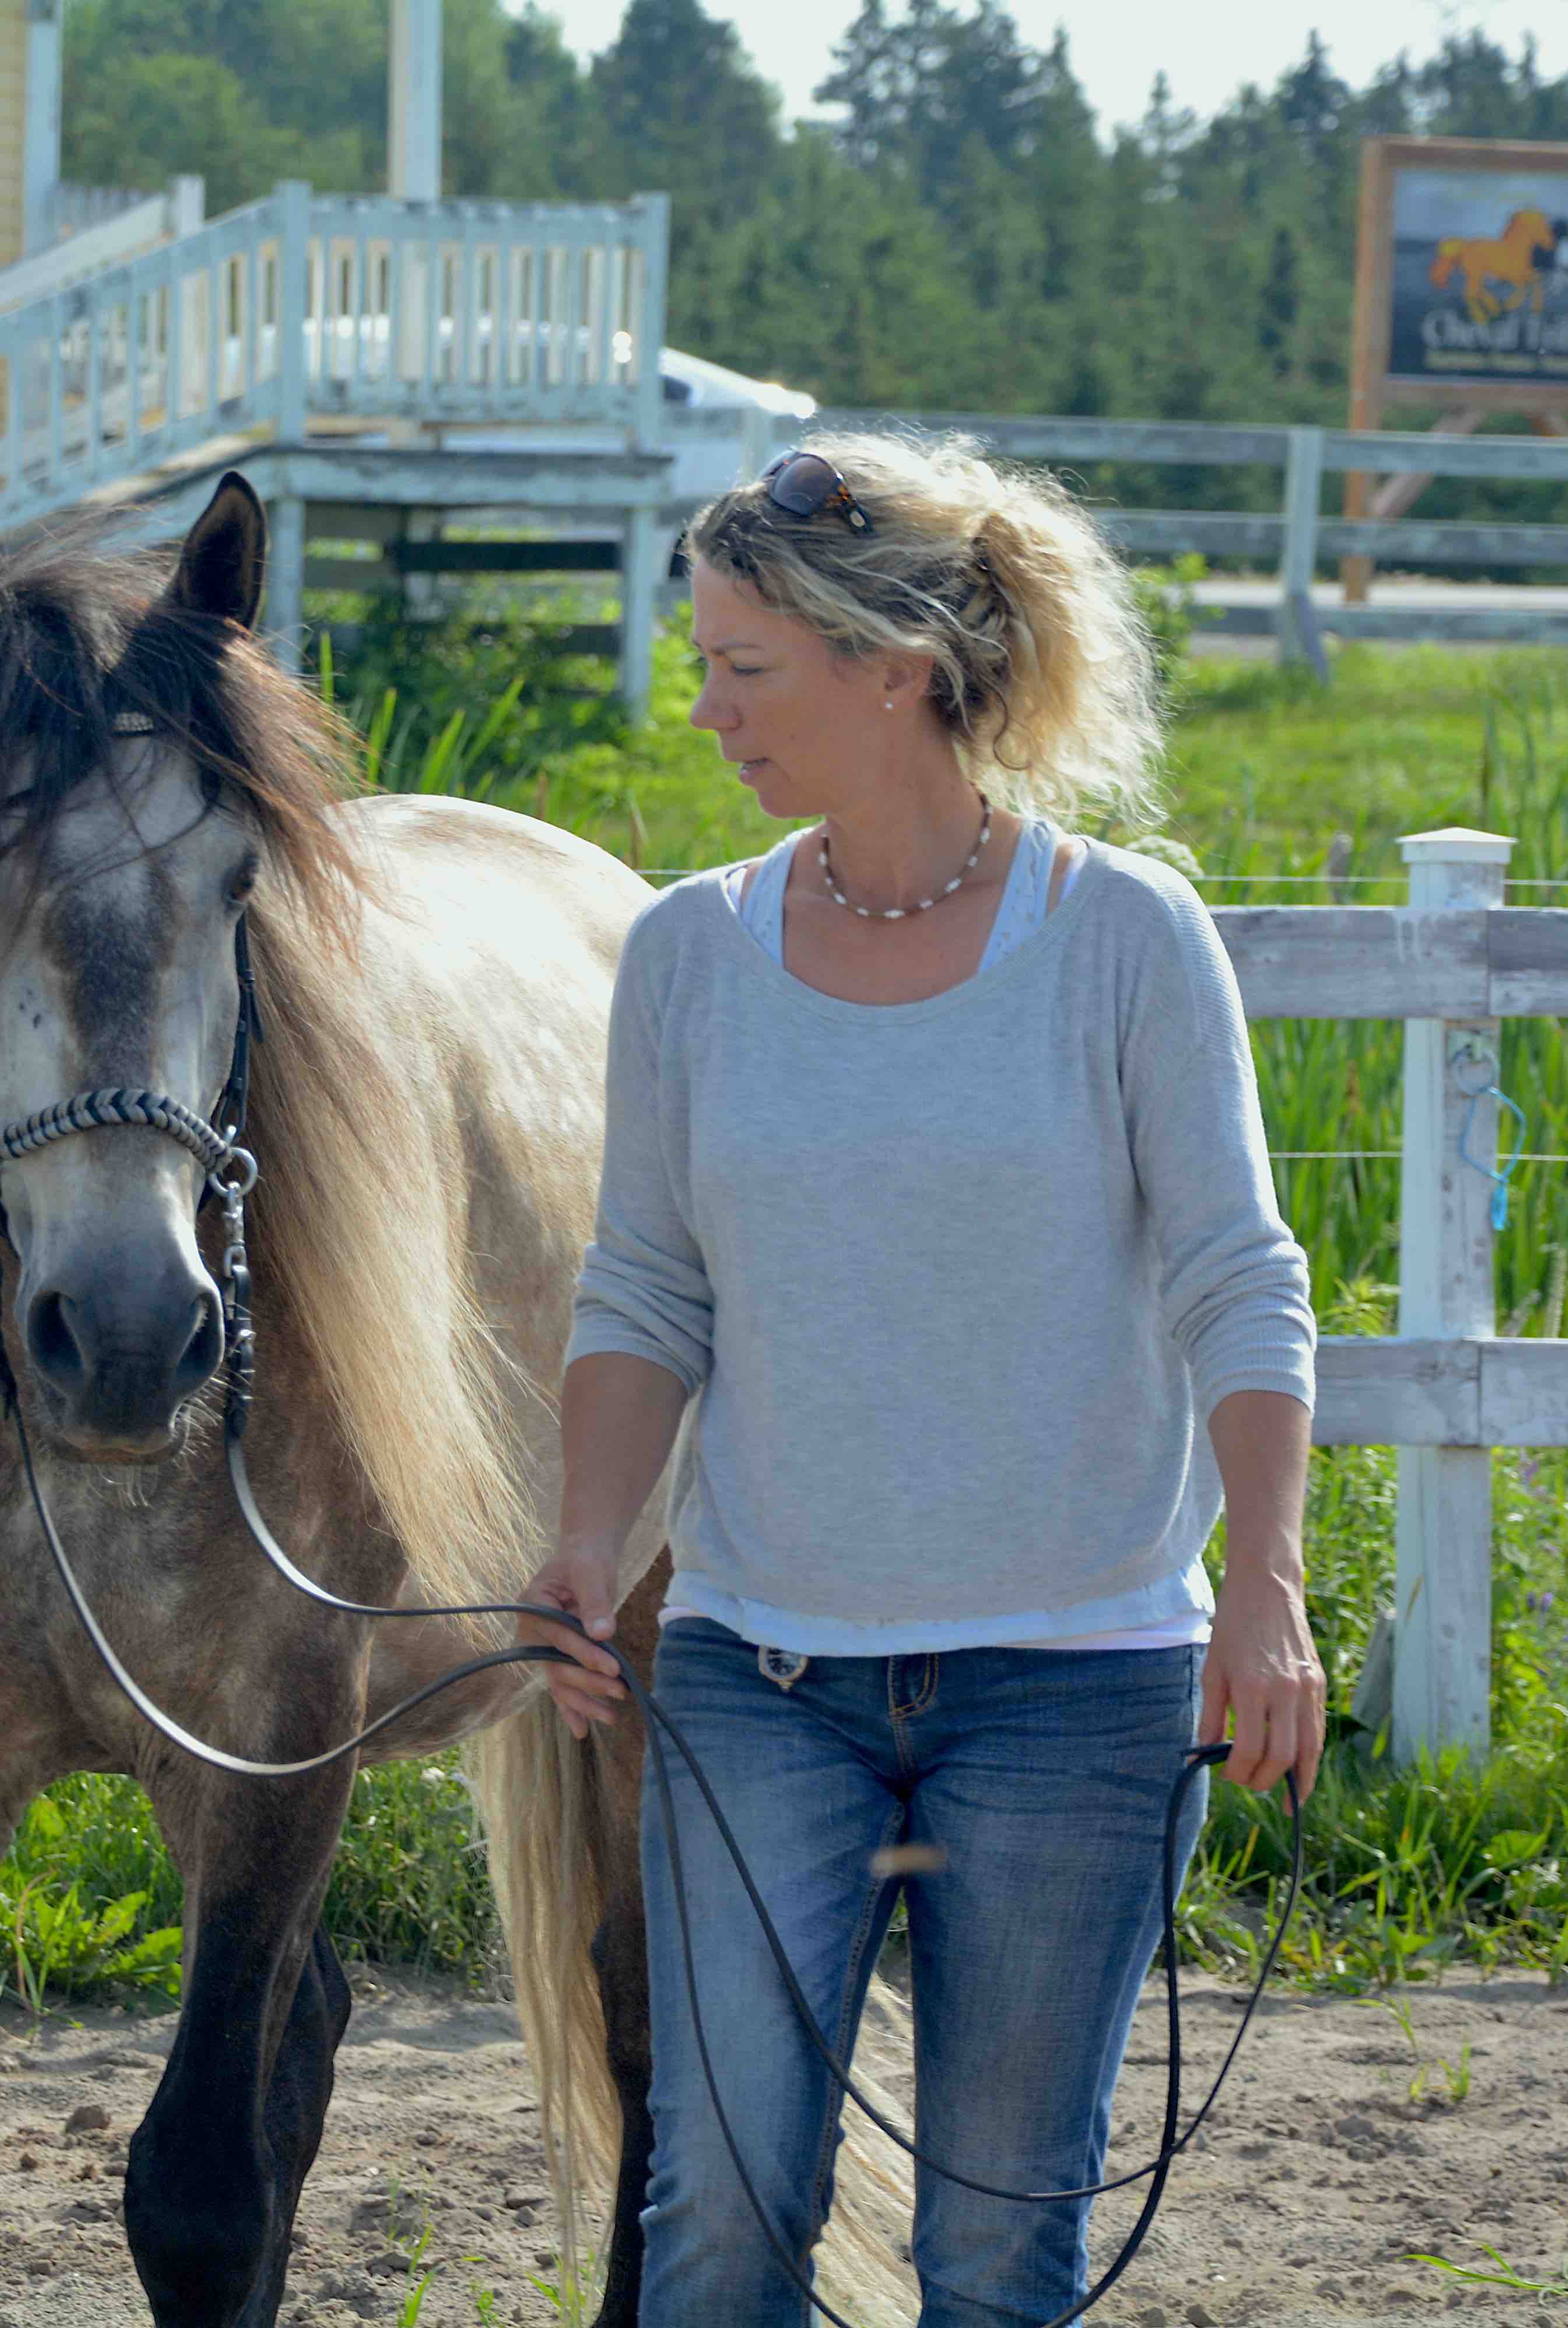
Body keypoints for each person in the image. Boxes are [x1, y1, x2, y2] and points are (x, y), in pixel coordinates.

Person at [518, 431, 1325, 2328]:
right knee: (716, 2217)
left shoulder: (1125, 939)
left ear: (893, 671)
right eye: (704, 665)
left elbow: (1239, 1275)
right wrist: (585, 1538)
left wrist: (1269, 1586)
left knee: (991, 2243)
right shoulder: (690, 953)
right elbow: (648, 1286)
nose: (707, 712)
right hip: (757, 1676)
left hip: (1079, 1691)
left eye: (744, 668)